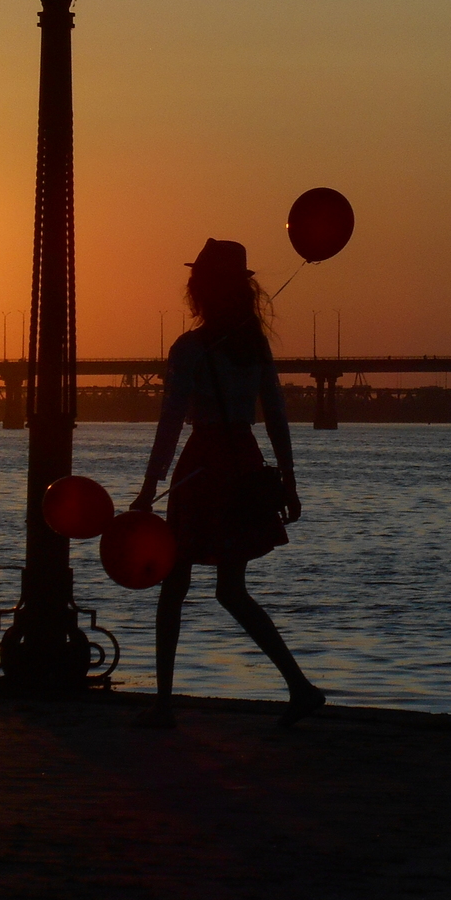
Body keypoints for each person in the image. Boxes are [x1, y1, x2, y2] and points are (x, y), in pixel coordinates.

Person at [130, 238, 324, 731]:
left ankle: (164, 705)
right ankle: (299, 687)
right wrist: (288, 479)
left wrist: (148, 486)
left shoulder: (190, 348)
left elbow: (170, 423)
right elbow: (277, 416)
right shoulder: (254, 347)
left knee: (174, 586)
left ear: (201, 290)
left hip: (203, 469)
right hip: (245, 464)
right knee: (232, 591)